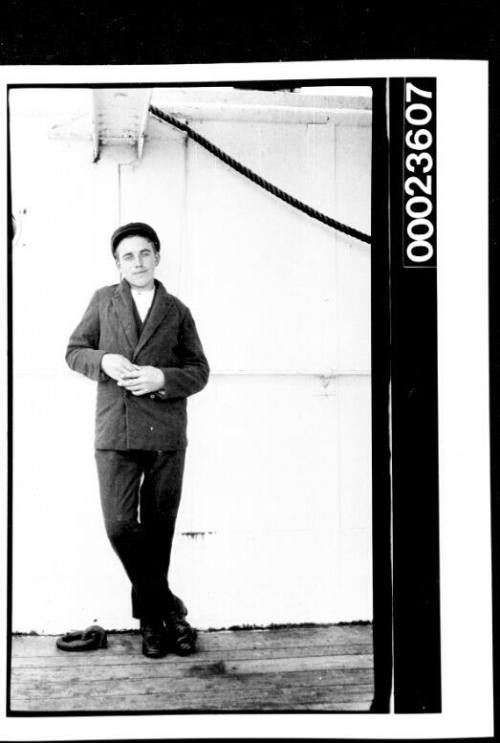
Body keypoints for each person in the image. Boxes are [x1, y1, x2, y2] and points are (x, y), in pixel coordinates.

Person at [65, 222, 209, 659]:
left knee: (159, 528)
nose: (138, 263)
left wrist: (163, 377)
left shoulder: (178, 310)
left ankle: (151, 623)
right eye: (128, 256)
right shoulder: (102, 301)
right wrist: (104, 359)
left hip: (165, 432)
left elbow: (199, 370)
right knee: (121, 525)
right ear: (118, 265)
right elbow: (74, 350)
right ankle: (169, 608)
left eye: (145, 254)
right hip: (116, 430)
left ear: (157, 257)